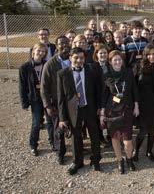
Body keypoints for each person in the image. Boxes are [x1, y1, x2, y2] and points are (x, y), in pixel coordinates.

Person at [57, 47, 102, 175]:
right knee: (76, 136)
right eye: (76, 57)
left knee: (94, 134)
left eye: (81, 58)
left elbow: (98, 90)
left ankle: (96, 159)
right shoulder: (62, 74)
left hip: (90, 108)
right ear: (70, 58)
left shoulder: (91, 70)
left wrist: (99, 107)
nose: (79, 60)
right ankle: (77, 162)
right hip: (73, 110)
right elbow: (61, 98)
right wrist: (62, 118)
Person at [100, 50, 140, 174]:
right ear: (110, 62)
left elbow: (134, 89)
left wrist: (136, 106)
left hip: (126, 109)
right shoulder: (106, 75)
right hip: (112, 111)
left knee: (127, 140)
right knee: (115, 137)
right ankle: (119, 160)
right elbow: (104, 94)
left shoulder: (128, 72)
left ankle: (129, 159)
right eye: (115, 60)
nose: (118, 62)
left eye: (119, 59)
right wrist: (102, 112)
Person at [40, 35, 71, 165]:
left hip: (71, 101)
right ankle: (60, 152)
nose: (64, 46)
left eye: (66, 43)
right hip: (57, 103)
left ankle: (77, 150)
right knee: (58, 128)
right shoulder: (50, 64)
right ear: (56, 46)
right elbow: (44, 87)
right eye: (60, 44)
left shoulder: (74, 59)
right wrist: (47, 105)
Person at [19, 43, 50, 156]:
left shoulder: (47, 64)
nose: (41, 53)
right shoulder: (25, 67)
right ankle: (33, 145)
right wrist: (24, 102)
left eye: (43, 51)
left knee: (50, 121)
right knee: (36, 122)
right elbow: (22, 87)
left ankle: (53, 143)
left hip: (46, 97)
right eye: (39, 50)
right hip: (35, 98)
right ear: (33, 51)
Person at [133, 44, 154, 162]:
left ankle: (149, 151)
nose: (152, 56)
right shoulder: (138, 67)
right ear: (145, 55)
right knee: (143, 130)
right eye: (149, 54)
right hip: (142, 104)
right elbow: (133, 87)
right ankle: (136, 151)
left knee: (153, 130)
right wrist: (135, 104)